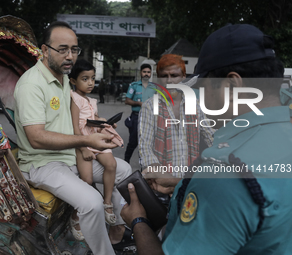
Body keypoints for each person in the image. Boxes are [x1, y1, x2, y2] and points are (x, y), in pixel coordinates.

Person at [121, 24, 292, 254]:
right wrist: (182, 181)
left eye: (203, 87)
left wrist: (138, 221)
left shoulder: (224, 172)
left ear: (231, 85)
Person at [14, 21, 133, 254]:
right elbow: (36, 138)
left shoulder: (63, 78)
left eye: (74, 49)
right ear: (45, 50)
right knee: (91, 202)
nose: (70, 56)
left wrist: (99, 127)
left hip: (70, 157)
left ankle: (116, 230)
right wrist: (86, 142)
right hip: (43, 164)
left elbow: (72, 121)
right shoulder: (31, 84)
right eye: (62, 49)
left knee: (125, 171)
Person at [139, 54, 214, 187]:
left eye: (174, 76)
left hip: (190, 180)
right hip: (160, 184)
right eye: (164, 76)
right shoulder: (150, 106)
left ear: (183, 77)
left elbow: (210, 136)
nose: (169, 81)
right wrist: (165, 178)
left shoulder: (195, 105)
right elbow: (145, 148)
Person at [69, 59, 124, 228]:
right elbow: (74, 127)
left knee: (111, 165)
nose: (90, 82)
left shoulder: (92, 101)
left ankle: (107, 203)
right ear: (73, 81)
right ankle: (75, 215)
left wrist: (105, 123)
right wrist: (83, 148)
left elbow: (95, 121)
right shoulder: (74, 99)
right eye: (85, 79)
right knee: (87, 179)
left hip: (97, 139)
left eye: (92, 78)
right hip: (83, 142)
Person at [124, 63, 156, 163]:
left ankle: (144, 166)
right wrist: (138, 103)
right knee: (133, 142)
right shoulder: (134, 86)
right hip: (136, 117)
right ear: (140, 73)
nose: (146, 74)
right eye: (144, 72)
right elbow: (127, 100)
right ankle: (126, 162)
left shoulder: (154, 87)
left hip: (150, 118)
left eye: (148, 72)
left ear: (151, 74)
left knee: (148, 143)